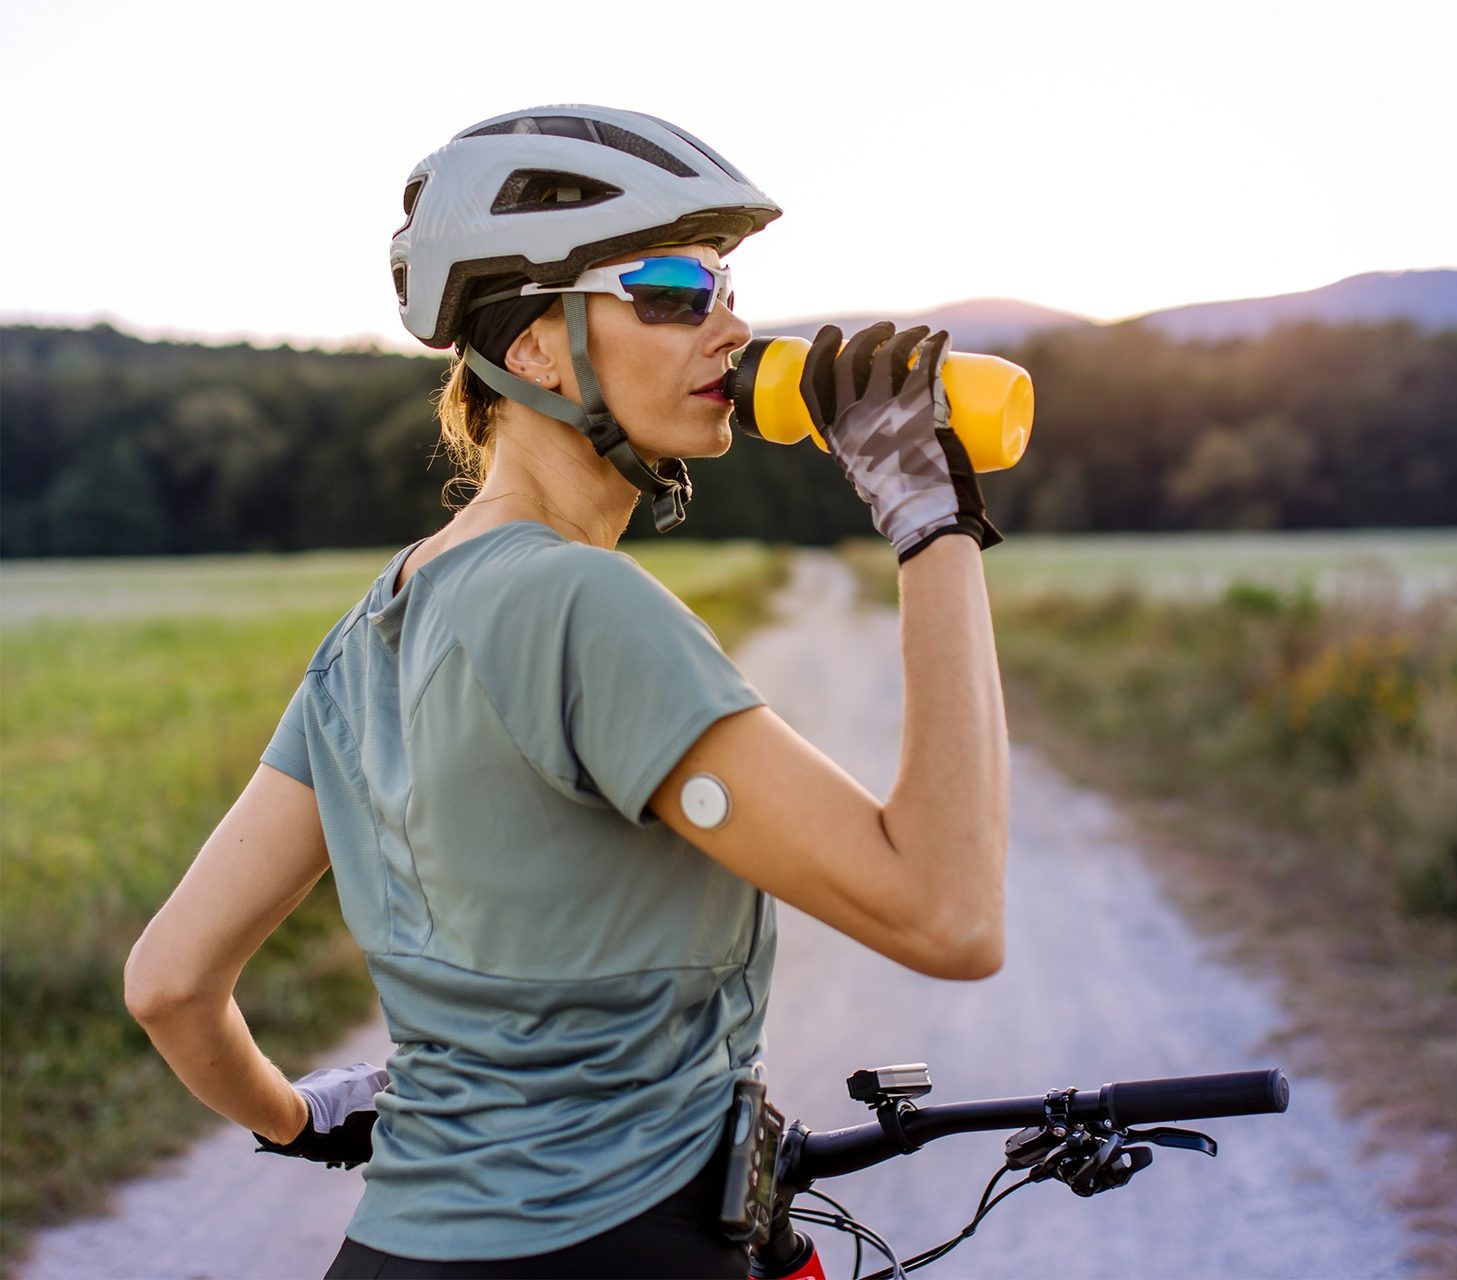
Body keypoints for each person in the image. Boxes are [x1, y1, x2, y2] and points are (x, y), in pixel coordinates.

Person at [122, 105, 1010, 1279]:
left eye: (728, 284)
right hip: (622, 1247)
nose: (731, 326)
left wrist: (304, 1114)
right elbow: (948, 913)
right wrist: (930, 519)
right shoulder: (587, 605)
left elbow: (172, 982)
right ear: (535, 346)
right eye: (673, 288)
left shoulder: (368, 634)